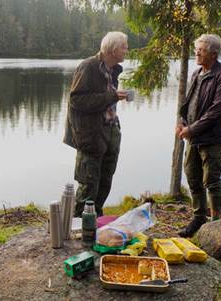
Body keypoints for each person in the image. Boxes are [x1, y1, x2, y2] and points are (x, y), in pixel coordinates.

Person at [63, 31, 129, 217]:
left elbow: (104, 101)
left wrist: (115, 98)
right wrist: (112, 96)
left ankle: (95, 222)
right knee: (89, 185)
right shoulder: (88, 66)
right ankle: (79, 227)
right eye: (124, 46)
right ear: (114, 49)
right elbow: (77, 100)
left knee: (105, 180)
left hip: (110, 132)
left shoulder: (113, 70)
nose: (127, 50)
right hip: (90, 136)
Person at [177, 34, 221, 237]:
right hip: (193, 137)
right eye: (196, 49)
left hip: (213, 139)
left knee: (211, 180)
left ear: (214, 53)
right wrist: (182, 121)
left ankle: (216, 224)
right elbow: (188, 103)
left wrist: (191, 129)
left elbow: (217, 110)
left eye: (200, 50)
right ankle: (198, 218)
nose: (196, 53)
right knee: (192, 178)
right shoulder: (196, 73)